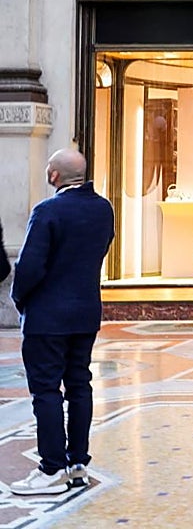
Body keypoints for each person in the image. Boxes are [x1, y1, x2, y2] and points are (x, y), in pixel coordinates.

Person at [8, 149, 114, 495]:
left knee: (47, 391)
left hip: (47, 317)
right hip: (85, 312)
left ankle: (52, 468)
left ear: (54, 175)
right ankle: (78, 463)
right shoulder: (103, 208)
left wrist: (20, 299)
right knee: (80, 385)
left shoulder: (48, 210)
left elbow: (29, 267)